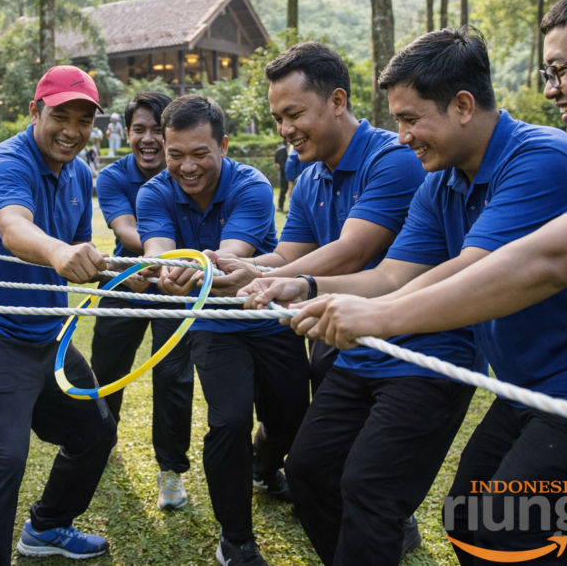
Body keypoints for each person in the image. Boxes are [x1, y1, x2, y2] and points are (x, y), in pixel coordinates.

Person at [280, 0, 567, 566]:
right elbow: (397, 273)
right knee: (470, 525)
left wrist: (378, 317)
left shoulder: (543, 159)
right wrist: (304, 287)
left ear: (461, 105)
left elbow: (525, 266)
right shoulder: (440, 182)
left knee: (504, 539)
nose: (400, 138)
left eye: (409, 119)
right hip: (523, 389)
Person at [210, 41, 428, 519]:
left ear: (337, 101)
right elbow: (289, 253)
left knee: (366, 472)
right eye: (277, 119)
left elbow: (354, 251)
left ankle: (390, 520)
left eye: (294, 113)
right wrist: (238, 270)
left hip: (402, 336)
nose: (285, 129)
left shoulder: (392, 159)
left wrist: (263, 280)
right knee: (316, 465)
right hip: (335, 332)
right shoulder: (309, 178)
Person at [0, 65, 117, 565]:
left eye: (84, 120)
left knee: (95, 433)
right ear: (34, 111)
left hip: (48, 336)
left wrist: (137, 275)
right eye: (61, 115)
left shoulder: (80, 172)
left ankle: (46, 528)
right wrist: (59, 252)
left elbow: (79, 260)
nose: (72, 130)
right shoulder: (6, 162)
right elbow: (17, 229)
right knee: (2, 459)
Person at [136, 95, 310, 566]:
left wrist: (198, 268)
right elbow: (158, 250)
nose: (186, 167)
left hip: (267, 314)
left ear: (224, 145)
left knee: (292, 419)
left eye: (199, 154)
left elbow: (233, 253)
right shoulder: (153, 193)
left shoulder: (251, 183)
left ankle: (263, 466)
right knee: (229, 420)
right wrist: (164, 270)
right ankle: (235, 539)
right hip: (213, 323)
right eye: (176, 154)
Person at [90, 92, 195, 510]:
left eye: (157, 130)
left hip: (177, 285)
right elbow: (128, 229)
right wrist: (150, 259)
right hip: (126, 281)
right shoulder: (112, 177)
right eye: (139, 130)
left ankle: (170, 471)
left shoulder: (186, 171)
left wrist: (168, 266)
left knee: (173, 377)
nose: (148, 139)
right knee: (106, 368)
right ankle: (99, 444)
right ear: (126, 132)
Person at [273, 139, 288, 211]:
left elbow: (276, 163)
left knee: (283, 190)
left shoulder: (279, 150)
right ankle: (280, 206)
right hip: (285, 173)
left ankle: (280, 207)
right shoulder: (281, 150)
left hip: (284, 173)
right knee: (283, 190)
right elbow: (276, 163)